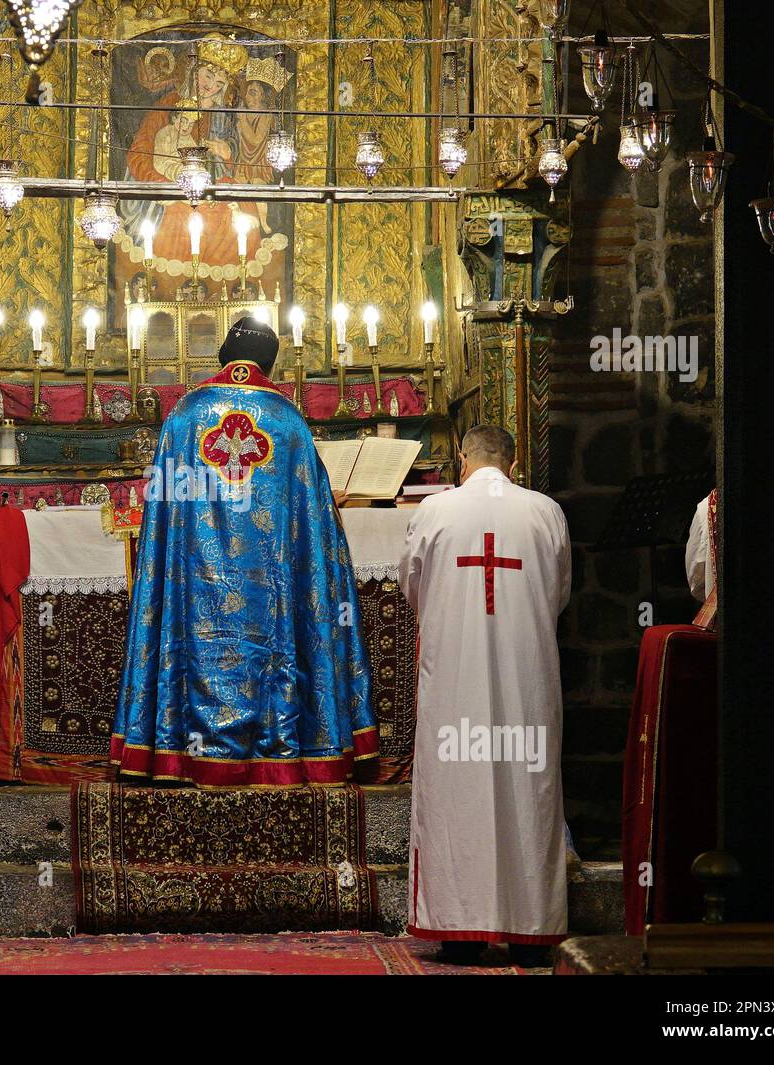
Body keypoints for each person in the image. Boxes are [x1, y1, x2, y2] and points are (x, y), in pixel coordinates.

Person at [112, 318, 377, 785]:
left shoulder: (184, 416)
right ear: (270, 364)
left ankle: (177, 750)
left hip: (195, 590)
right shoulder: (288, 423)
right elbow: (316, 529)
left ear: (222, 357)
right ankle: (282, 749)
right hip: (270, 594)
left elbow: (161, 518)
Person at [397, 425, 571, 967]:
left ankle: (460, 931)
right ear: (513, 464)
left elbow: (412, 587)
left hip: (456, 675)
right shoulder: (545, 512)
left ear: (462, 460)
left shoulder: (436, 512)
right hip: (527, 674)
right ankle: (529, 928)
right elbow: (558, 593)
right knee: (528, 790)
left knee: (458, 791)